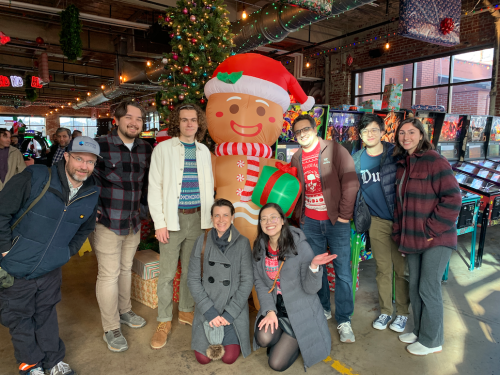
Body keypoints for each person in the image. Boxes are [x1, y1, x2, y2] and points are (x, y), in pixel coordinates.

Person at [0, 136, 100, 375]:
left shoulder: (91, 192)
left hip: (51, 268)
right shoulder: (35, 177)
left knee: (46, 314)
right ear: (66, 156)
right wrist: (6, 249)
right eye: (78, 158)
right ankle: (30, 364)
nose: (84, 166)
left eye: (90, 161)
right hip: (16, 265)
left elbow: (86, 227)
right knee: (19, 318)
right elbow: (1, 212)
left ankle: (53, 361)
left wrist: (66, 252)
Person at [392, 118, 461, 356]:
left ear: (421, 135)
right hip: (413, 238)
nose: (406, 137)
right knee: (415, 289)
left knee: (428, 288)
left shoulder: (435, 160)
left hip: (436, 238)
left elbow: (453, 199)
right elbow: (400, 206)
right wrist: (400, 235)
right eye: (401, 133)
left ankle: (432, 341)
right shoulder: (403, 164)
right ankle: (420, 331)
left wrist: (431, 230)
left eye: (411, 132)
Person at [148, 104, 214, 349]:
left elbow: (208, 188)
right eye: (184, 120)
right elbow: (154, 187)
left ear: (199, 124)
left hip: (197, 219)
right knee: (166, 274)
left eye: (193, 120)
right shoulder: (163, 149)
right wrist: (160, 223)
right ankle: (164, 320)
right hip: (172, 221)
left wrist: (208, 222)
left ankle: (186, 310)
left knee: (190, 271)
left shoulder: (204, 151)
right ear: (178, 123)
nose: (189, 124)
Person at [290, 114, 359, 343]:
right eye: (297, 132)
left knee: (342, 272)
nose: (302, 134)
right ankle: (323, 307)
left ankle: (344, 319)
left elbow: (350, 183)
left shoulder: (335, 149)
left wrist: (343, 217)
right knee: (316, 268)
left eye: (305, 129)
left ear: (315, 128)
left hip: (335, 222)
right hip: (310, 222)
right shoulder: (297, 158)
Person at [93, 100, 153, 353]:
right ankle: (111, 327)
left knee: (126, 269)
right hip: (106, 222)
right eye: (129, 117)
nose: (134, 122)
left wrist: (146, 212)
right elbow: (85, 178)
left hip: (132, 222)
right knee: (108, 275)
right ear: (116, 119)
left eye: (139, 119)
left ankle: (125, 311)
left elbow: (148, 183)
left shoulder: (144, 148)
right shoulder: (101, 145)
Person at [252, 203, 334, 371]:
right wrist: (269, 311)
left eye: (273, 217)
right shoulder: (260, 246)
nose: (269, 222)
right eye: (264, 219)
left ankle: (296, 341)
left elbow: (311, 289)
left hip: (299, 311)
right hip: (277, 306)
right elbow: (260, 283)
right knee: (263, 339)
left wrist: (313, 267)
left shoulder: (299, 245)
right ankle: (283, 337)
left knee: (276, 364)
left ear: (283, 220)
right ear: (260, 224)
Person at [352, 114, 410, 332]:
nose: (370, 134)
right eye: (366, 131)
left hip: (399, 221)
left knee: (401, 270)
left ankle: (402, 313)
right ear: (360, 135)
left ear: (382, 132)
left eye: (374, 130)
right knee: (383, 269)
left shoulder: (395, 154)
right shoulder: (356, 159)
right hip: (376, 222)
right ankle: (386, 311)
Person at [187, 199, 253, 364]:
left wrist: (230, 313)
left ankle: (230, 330)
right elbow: (193, 279)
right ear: (211, 218)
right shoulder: (201, 241)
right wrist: (209, 312)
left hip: (232, 309)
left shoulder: (243, 243)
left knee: (229, 358)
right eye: (217, 215)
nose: (221, 220)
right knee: (203, 359)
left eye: (225, 215)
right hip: (207, 307)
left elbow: (247, 281)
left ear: (232, 217)